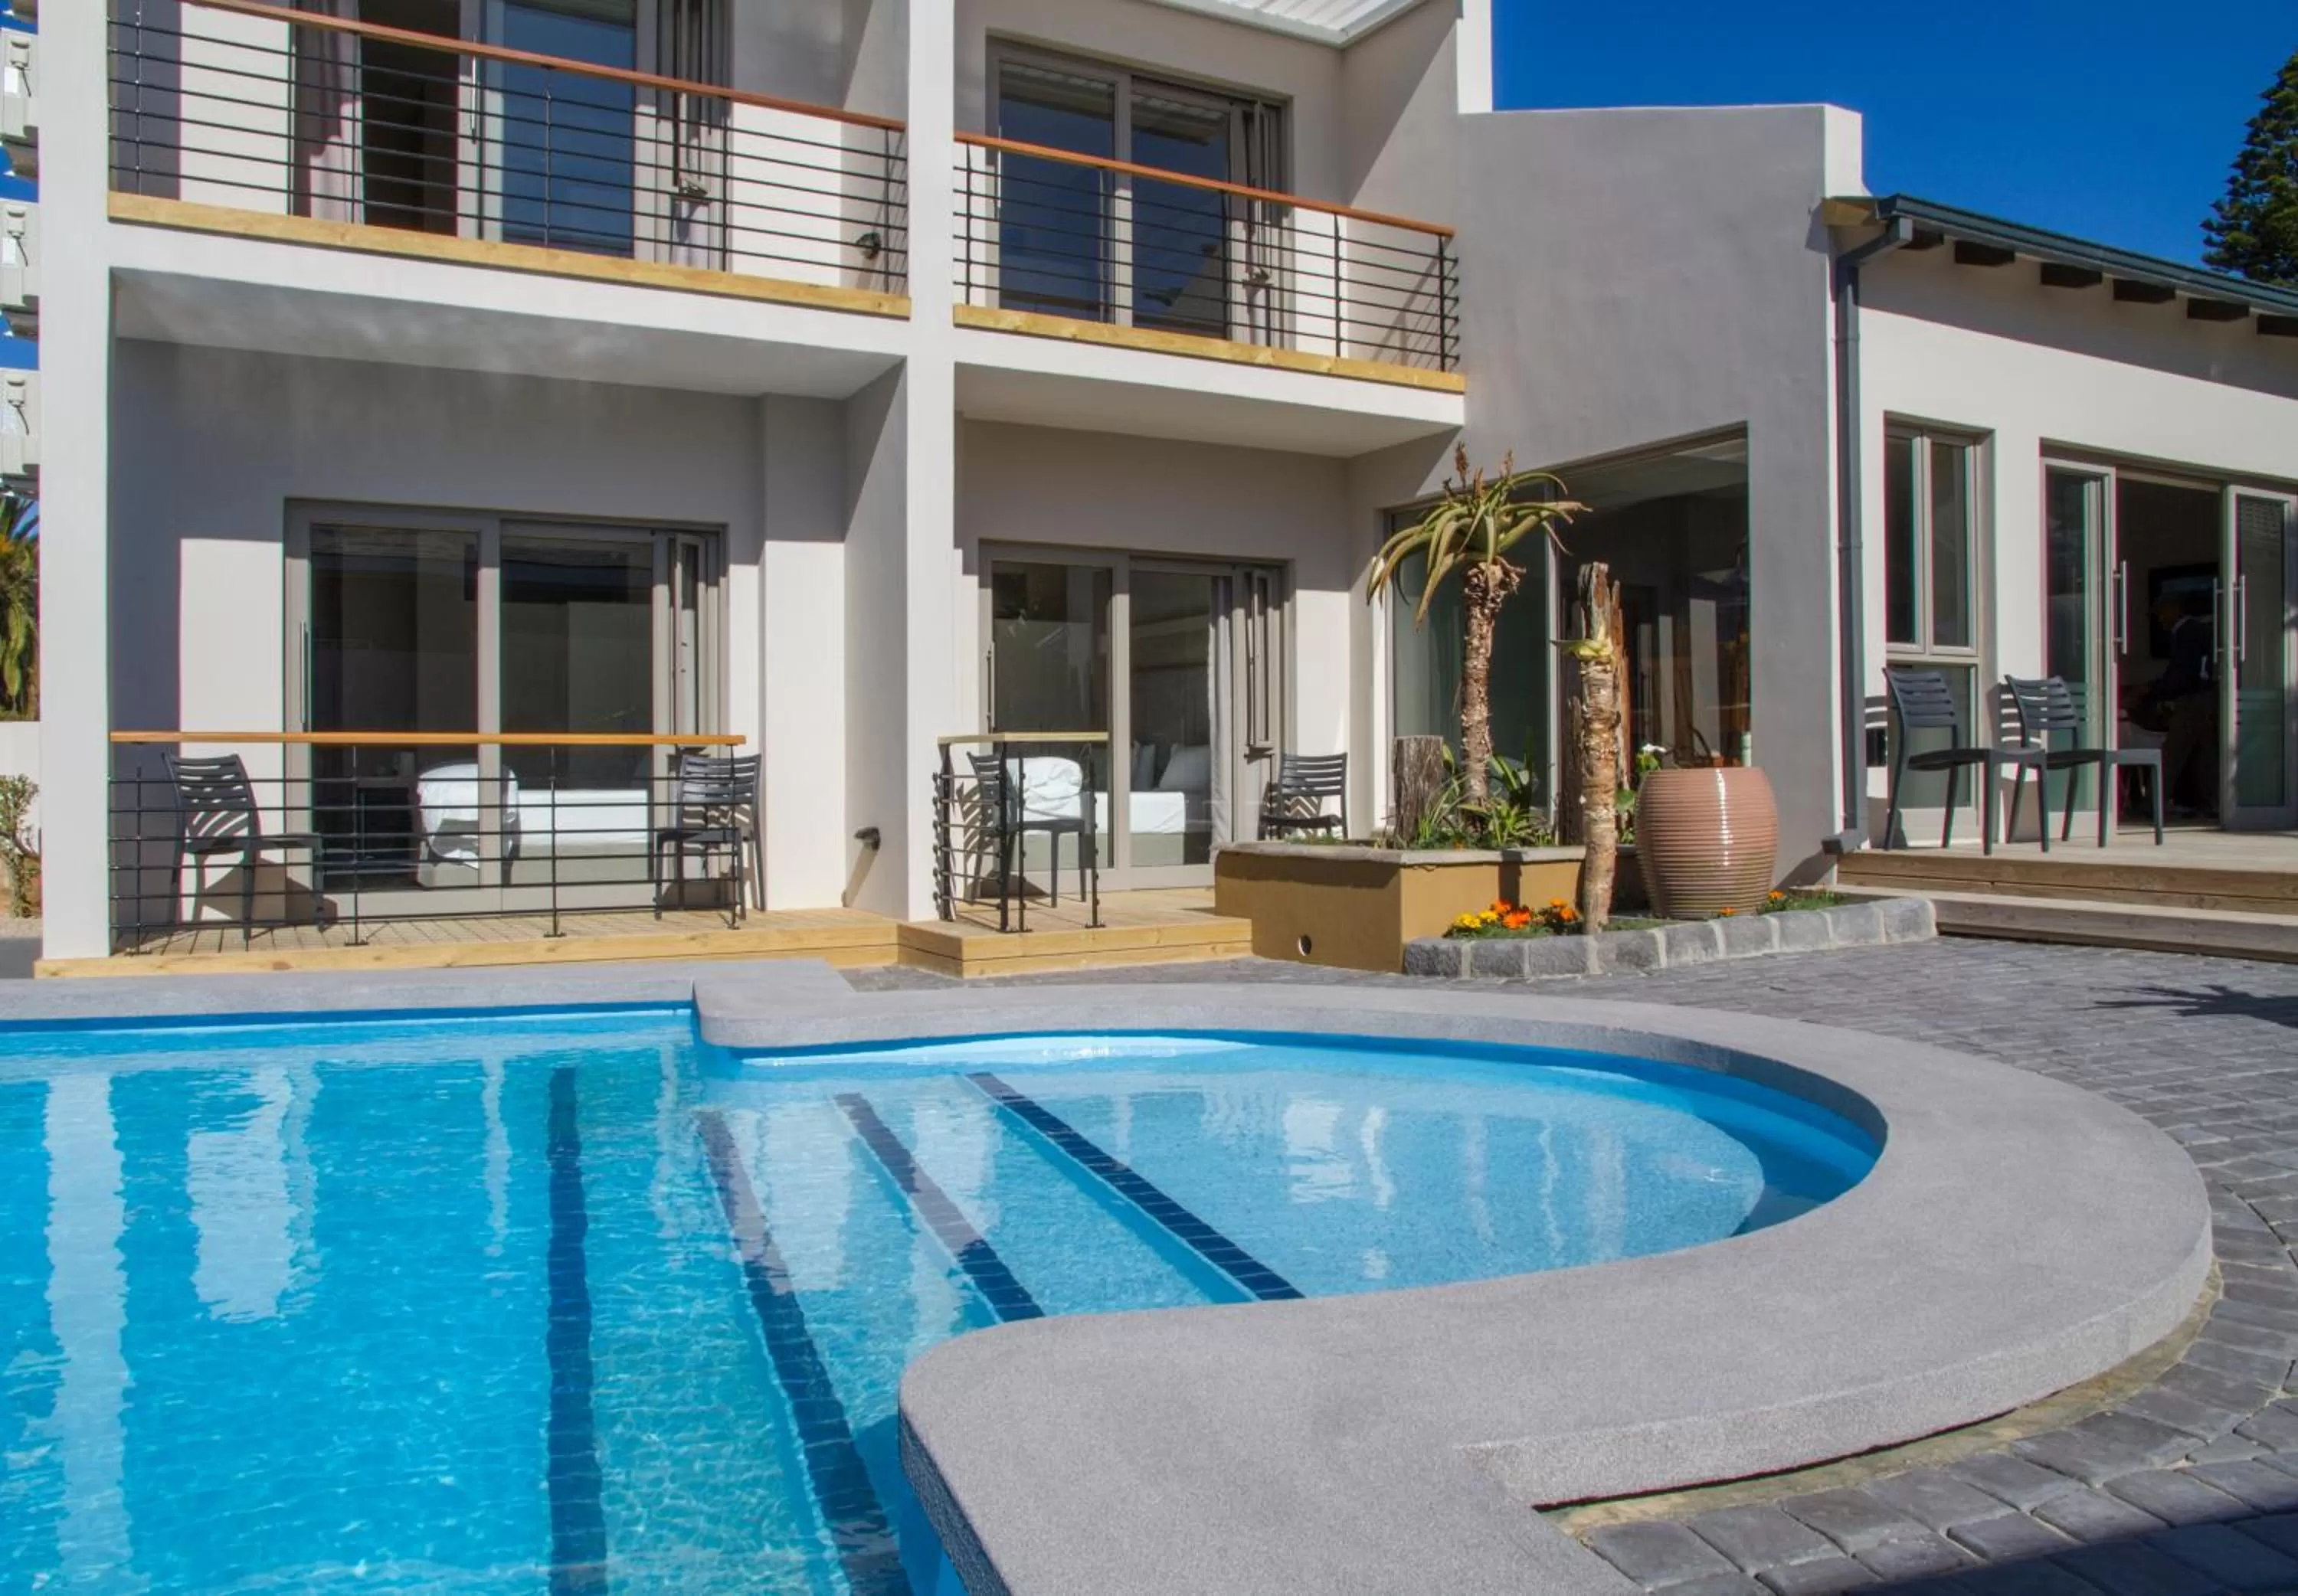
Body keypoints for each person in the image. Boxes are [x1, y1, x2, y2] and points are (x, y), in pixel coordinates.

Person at [2146, 594, 2217, 816]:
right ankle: (2215, 802)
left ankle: (2153, 802)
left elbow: (2183, 672)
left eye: (2161, 613)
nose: (2159, 620)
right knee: (2207, 752)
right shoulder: (2197, 630)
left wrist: (2154, 691)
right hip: (2205, 697)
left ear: (2174, 609)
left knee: (2174, 751)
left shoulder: (2187, 632)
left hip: (2194, 698)